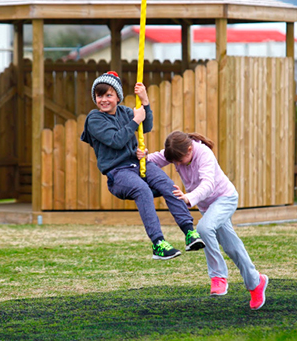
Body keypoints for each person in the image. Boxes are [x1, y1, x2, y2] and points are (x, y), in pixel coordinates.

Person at [80, 71, 205, 260]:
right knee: (142, 190)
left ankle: (189, 232)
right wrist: (135, 121)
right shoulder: (94, 119)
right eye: (99, 95)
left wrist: (145, 102)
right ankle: (158, 244)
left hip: (138, 165)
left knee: (167, 185)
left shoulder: (125, 112)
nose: (104, 100)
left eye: (109, 95)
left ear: (118, 97)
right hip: (118, 173)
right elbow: (115, 140)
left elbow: (145, 127)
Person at [138, 131, 268, 310]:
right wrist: (143, 156)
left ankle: (218, 276)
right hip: (208, 207)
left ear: (190, 150)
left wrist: (188, 197)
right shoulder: (178, 152)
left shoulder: (204, 154)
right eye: (173, 161)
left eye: (179, 160)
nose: (176, 164)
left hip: (225, 199)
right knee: (232, 247)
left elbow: (208, 185)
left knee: (204, 229)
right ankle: (256, 282)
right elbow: (154, 160)